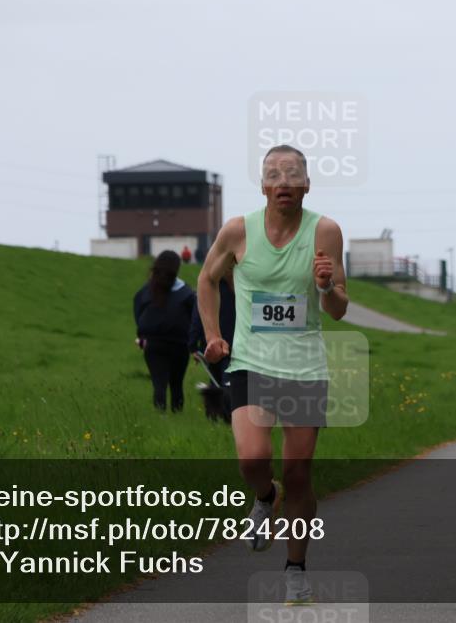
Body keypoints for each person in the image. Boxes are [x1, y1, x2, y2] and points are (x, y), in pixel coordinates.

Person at [198, 144, 348, 604]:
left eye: (293, 174)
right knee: (251, 458)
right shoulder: (238, 232)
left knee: (300, 473)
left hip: (304, 370)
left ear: (306, 184)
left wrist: (326, 286)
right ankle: (265, 496)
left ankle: (296, 570)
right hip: (251, 364)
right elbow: (207, 279)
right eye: (273, 174)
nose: (283, 182)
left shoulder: (325, 231)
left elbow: (339, 309)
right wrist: (213, 335)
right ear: (263, 186)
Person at [133, 250, 196, 412]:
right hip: (180, 345)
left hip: (153, 345)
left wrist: (141, 335)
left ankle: (160, 417)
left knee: (159, 384)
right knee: (177, 384)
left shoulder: (146, 291)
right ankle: (177, 417)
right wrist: (195, 343)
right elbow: (195, 317)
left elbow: (138, 312)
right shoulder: (186, 293)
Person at [188, 274, 236, 422]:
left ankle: (213, 417)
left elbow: (197, 318)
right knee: (228, 383)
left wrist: (193, 346)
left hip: (211, 346)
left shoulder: (207, 290)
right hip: (233, 345)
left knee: (214, 380)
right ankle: (228, 418)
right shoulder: (241, 288)